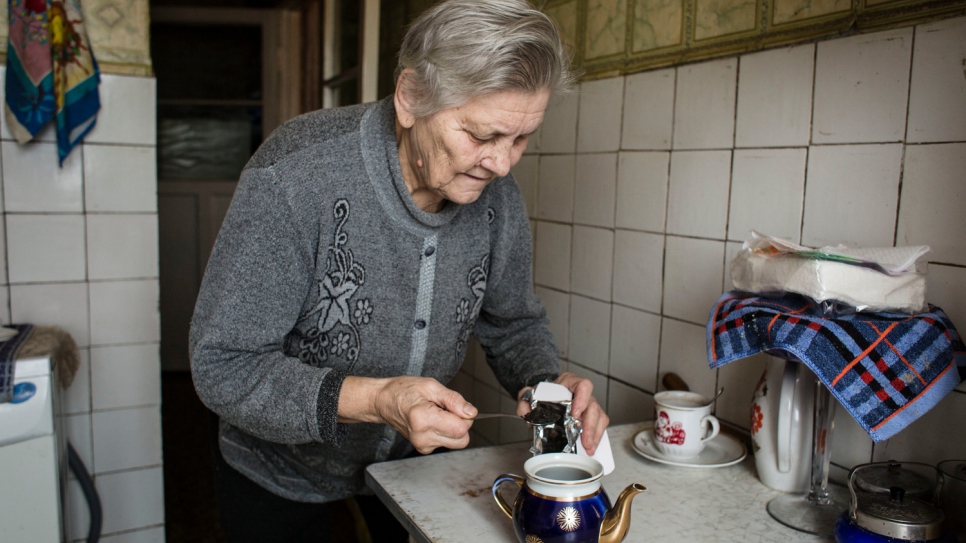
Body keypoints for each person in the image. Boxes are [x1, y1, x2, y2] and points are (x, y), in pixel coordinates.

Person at [189, 0, 610, 540]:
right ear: (411, 97)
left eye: (521, 139)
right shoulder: (294, 176)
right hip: (279, 475)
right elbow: (224, 367)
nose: (503, 164)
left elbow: (514, 324)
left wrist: (547, 385)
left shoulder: (495, 196)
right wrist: (379, 401)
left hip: (404, 469)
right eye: (482, 136)